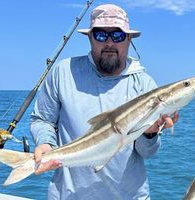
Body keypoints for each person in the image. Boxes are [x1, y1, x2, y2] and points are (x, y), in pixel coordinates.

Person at [30, 4, 177, 200]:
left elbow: (147, 153)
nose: (109, 43)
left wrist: (149, 134)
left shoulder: (144, 84)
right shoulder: (63, 72)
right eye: (101, 35)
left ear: (129, 39)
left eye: (117, 36)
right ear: (90, 38)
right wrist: (46, 143)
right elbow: (42, 119)